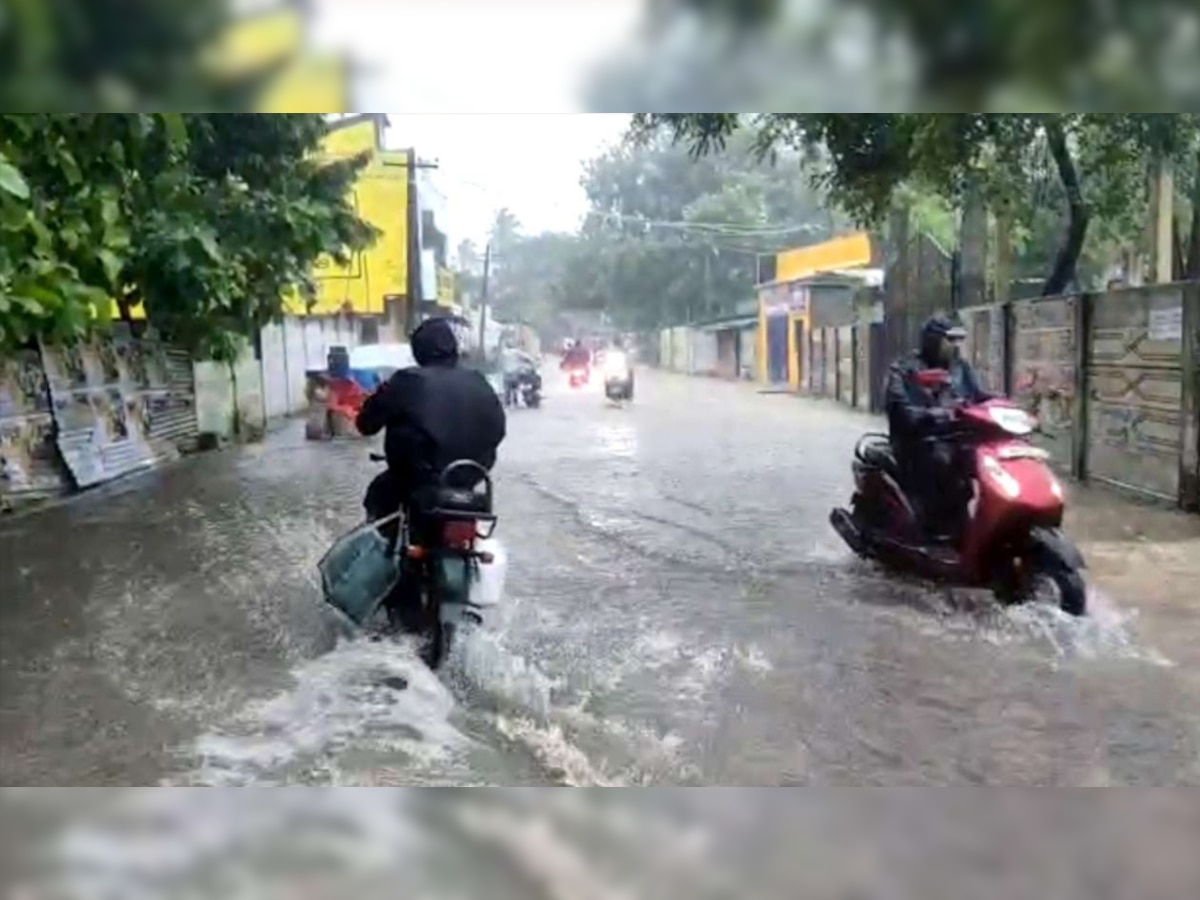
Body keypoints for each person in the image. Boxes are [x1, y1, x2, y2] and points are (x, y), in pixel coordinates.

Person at [357, 317, 507, 526]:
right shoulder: (478, 380)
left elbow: (366, 425)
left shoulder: (406, 380)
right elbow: (498, 428)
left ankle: (387, 550)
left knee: (378, 496)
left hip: (417, 481)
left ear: (418, 350)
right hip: (470, 481)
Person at [885, 313, 992, 541]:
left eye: (957, 341)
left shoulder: (961, 367)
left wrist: (1012, 404)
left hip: (956, 438)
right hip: (917, 442)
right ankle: (936, 530)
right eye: (949, 340)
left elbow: (980, 398)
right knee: (942, 461)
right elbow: (900, 408)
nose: (954, 346)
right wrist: (931, 415)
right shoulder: (904, 369)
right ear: (933, 340)